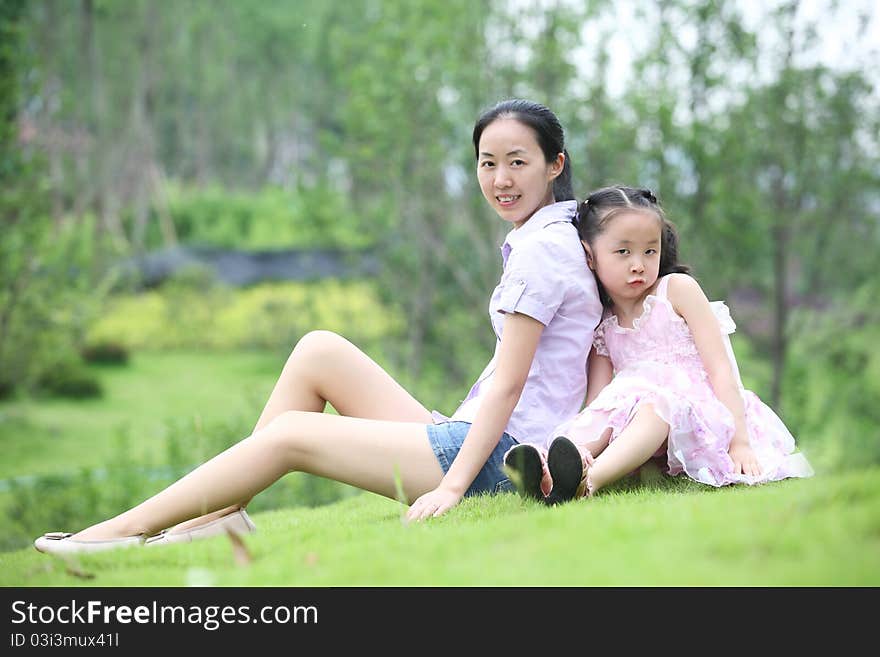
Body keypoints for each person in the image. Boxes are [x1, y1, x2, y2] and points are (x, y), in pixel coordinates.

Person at [33, 99, 603, 555]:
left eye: (518, 162)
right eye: (487, 162)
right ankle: (218, 519)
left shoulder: (542, 253)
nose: (501, 178)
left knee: (290, 436)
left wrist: (454, 485)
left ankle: (116, 533)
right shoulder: (554, 238)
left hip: (495, 459)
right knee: (319, 350)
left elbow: (509, 384)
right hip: (476, 435)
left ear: (555, 164)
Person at [508, 184, 814, 504]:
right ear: (590, 255)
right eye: (623, 252)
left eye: (649, 251)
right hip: (640, 424)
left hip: (699, 413)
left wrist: (739, 440)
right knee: (599, 415)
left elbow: (722, 369)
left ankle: (588, 481)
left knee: (659, 405)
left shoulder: (676, 290)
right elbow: (599, 401)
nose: (638, 264)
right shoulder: (604, 322)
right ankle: (548, 470)